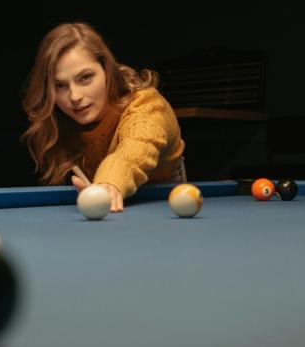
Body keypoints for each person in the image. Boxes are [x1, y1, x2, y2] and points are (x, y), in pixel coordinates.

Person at [21, 22, 186, 212]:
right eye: (60, 85)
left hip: (162, 205)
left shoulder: (146, 106)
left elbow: (137, 146)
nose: (74, 96)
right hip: (107, 202)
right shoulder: (59, 120)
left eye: (85, 78)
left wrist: (110, 181)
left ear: (107, 70)